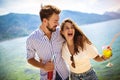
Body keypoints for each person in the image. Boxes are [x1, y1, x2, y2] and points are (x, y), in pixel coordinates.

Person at [26, 5, 69, 80]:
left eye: (58, 21)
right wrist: (43, 66)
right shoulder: (32, 39)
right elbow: (30, 59)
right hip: (47, 77)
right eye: (55, 21)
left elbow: (73, 41)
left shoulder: (60, 32)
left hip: (65, 75)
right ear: (45, 21)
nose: (58, 24)